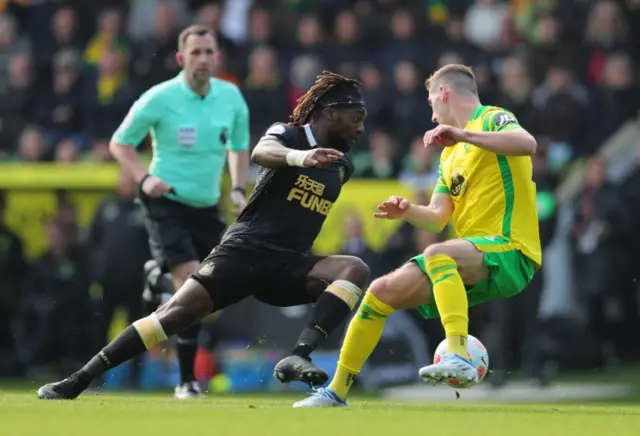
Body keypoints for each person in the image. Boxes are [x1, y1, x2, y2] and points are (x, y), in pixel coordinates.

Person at [37, 71, 371, 400]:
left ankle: (300, 354)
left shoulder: (343, 166)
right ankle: (79, 379)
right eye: (355, 118)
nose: (360, 128)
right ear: (330, 113)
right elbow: (261, 152)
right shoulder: (289, 135)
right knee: (172, 316)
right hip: (244, 253)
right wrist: (299, 157)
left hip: (287, 265)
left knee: (354, 269)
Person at [294, 63, 541, 408]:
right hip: (473, 258)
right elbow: (438, 216)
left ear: (444, 93)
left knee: (438, 254)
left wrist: (466, 135)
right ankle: (336, 391)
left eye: (430, 103)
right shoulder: (449, 155)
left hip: (512, 250)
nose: (431, 114)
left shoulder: (491, 118)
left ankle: (457, 353)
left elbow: (527, 143)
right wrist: (407, 210)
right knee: (379, 292)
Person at [105, 25, 250, 399]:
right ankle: (187, 381)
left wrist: (236, 187)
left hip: (206, 207)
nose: (203, 59)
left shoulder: (231, 97)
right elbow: (120, 143)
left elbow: (237, 146)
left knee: (208, 294)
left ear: (217, 58)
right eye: (196, 52)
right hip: (166, 200)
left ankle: (156, 277)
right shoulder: (161, 97)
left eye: (209, 52)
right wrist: (143, 178)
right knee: (191, 283)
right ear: (181, 58)